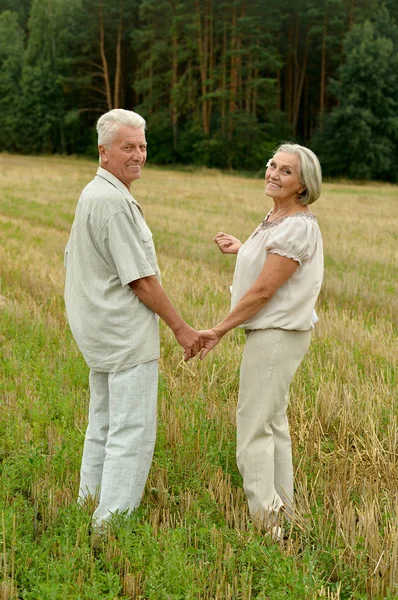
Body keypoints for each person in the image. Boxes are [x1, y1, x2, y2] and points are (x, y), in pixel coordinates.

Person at [64, 108, 202, 531]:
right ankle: (111, 524)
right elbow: (141, 280)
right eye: (129, 146)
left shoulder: (94, 193)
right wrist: (182, 328)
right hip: (124, 336)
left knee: (103, 424)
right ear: (104, 152)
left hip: (101, 334)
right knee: (132, 430)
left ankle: (89, 503)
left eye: (142, 145)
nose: (139, 154)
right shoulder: (113, 203)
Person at [199, 143, 324, 535]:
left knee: (252, 425)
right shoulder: (276, 217)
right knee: (273, 422)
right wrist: (242, 249)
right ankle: (285, 510)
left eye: (285, 171)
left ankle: (267, 524)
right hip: (275, 334)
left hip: (276, 335)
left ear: (303, 185)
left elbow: (263, 292)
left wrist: (219, 329)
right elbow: (268, 262)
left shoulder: (297, 226)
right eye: (272, 165)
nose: (273, 173)